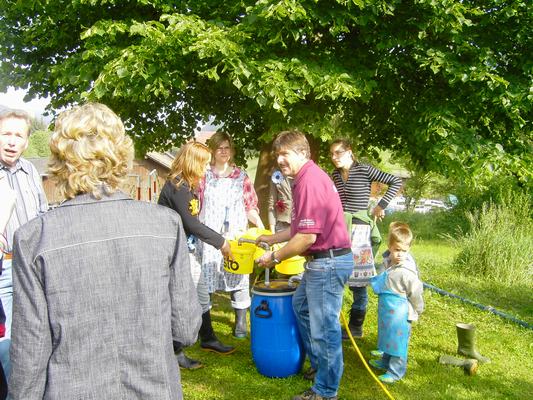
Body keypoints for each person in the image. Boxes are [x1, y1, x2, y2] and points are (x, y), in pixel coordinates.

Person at [9, 103, 201, 399]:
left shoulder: (34, 238)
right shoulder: (165, 225)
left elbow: (30, 355)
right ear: (121, 155)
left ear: (61, 159)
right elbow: (186, 328)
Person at [257, 130, 354, 400]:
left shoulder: (309, 181)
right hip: (322, 262)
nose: (280, 160)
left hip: (329, 263)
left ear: (302, 152)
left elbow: (306, 238)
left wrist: (274, 258)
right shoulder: (303, 179)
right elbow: (299, 229)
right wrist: (270, 238)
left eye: (285, 154)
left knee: (324, 328)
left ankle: (325, 390)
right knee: (301, 307)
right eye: (277, 154)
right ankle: (321, 367)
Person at [158, 142, 236, 370]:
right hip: (173, 250)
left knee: (201, 292)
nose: (207, 167)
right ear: (193, 162)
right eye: (204, 162)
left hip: (186, 248)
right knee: (180, 299)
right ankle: (175, 350)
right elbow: (191, 224)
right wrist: (221, 242)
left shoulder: (189, 186)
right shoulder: (177, 187)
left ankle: (208, 338)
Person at [329, 138, 402, 339]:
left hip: (360, 231)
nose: (334, 157)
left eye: (338, 153)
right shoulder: (334, 174)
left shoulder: (364, 170)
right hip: (340, 229)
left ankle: (355, 327)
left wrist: (381, 205)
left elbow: (395, 181)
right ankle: (333, 321)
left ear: (350, 152)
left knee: (359, 281)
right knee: (336, 275)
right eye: (332, 154)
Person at [198, 132, 264, 339]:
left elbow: (250, 206)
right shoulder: (204, 176)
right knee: (206, 278)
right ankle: (204, 326)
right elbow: (196, 204)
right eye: (220, 148)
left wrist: (260, 226)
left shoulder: (241, 176)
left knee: (238, 276)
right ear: (213, 151)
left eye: (227, 148)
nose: (224, 152)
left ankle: (241, 322)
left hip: (236, 236)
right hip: (209, 235)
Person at [0, 109, 48, 388]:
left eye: (18, 135)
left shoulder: (30, 170)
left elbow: (42, 213)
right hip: (3, 269)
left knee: (33, 331)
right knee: (6, 342)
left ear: (27, 142)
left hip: (30, 265)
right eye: (6, 134)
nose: (11, 141)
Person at [369, 222, 424, 383]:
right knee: (387, 336)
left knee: (398, 342)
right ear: (390, 247)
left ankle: (395, 371)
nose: (400, 254)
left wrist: (417, 310)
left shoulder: (407, 272)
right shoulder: (388, 263)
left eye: (404, 251)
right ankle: (385, 360)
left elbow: (416, 293)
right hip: (387, 310)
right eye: (397, 250)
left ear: (409, 250)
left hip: (400, 312)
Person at [267, 168, 293, 233]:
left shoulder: (304, 173)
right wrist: (272, 232)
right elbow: (272, 202)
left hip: (301, 224)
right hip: (282, 225)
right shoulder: (277, 174)